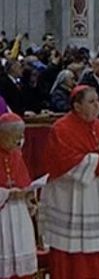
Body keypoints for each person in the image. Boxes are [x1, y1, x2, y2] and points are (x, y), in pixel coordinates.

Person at [39, 86, 99, 277]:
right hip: (74, 196)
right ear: (77, 106)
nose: (98, 105)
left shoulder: (98, 125)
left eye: (98, 100)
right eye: (91, 101)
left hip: (98, 196)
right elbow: (63, 163)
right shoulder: (61, 128)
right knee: (76, 254)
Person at [0, 113, 36, 279]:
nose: (18, 142)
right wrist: (6, 193)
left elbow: (24, 181)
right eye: (14, 138)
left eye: (20, 137)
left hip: (19, 212)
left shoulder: (16, 153)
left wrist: (29, 198)